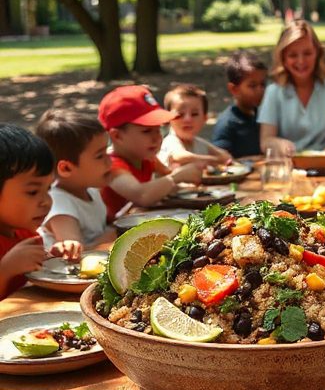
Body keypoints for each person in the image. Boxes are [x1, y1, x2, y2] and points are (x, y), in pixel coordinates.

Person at [98, 85, 212, 221]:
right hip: (112, 235)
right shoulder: (111, 166)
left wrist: (186, 181)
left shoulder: (146, 158)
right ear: (117, 136)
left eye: (158, 130)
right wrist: (177, 177)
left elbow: (170, 183)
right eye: (146, 131)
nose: (157, 138)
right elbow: (141, 195)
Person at [258, 19, 325, 157]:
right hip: (288, 166)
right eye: (293, 55)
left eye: (307, 53)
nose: (301, 61)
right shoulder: (273, 92)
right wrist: (278, 144)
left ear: (318, 53)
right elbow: (265, 141)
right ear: (283, 58)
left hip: (324, 163)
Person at [36, 110, 112, 260]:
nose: (109, 160)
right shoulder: (59, 204)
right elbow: (74, 256)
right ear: (66, 168)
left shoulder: (91, 191)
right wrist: (113, 236)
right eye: (100, 156)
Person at [0, 124, 53, 299]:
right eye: (33, 192)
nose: (46, 201)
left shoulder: (26, 234)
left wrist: (53, 258)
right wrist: (5, 270)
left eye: (49, 189)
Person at [211, 50, 268, 158]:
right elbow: (219, 160)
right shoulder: (227, 124)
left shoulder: (262, 115)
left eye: (262, 84)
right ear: (234, 89)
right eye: (252, 86)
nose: (260, 90)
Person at [159, 84, 231, 167]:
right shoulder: (171, 141)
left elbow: (224, 155)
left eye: (194, 114)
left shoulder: (200, 143)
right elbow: (180, 157)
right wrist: (214, 160)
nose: (187, 119)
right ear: (168, 118)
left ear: (204, 118)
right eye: (180, 114)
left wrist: (223, 157)